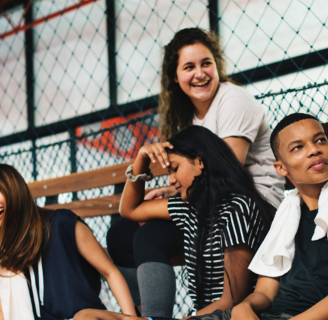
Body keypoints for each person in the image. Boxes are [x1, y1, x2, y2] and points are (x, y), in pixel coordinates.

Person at [106, 27, 285, 317]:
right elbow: (134, 206)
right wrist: (155, 177)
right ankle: (149, 314)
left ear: (217, 66)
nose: (200, 73)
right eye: (189, 67)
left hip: (252, 205)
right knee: (122, 235)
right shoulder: (187, 117)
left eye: (206, 63)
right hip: (207, 202)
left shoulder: (233, 100)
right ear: (175, 77)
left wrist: (170, 191)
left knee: (146, 235)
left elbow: (225, 171)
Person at [190, 113, 328, 320]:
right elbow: (265, 293)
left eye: (320, 140)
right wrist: (245, 307)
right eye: (298, 147)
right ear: (281, 168)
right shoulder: (288, 215)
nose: (314, 150)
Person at [79, 125, 275, 320]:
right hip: (201, 317)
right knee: (86, 316)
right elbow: (130, 210)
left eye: (175, 169)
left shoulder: (237, 209)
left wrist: (188, 318)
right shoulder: (189, 207)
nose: (171, 180)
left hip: (227, 316)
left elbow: (232, 300)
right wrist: (141, 160)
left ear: (199, 161)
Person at [0, 164, 137, 320]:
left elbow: (110, 272)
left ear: (13, 189)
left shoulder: (62, 223)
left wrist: (131, 318)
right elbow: (0, 309)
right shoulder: (2, 251)